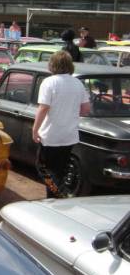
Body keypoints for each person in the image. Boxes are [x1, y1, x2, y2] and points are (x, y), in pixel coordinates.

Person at [32, 51, 90, 197]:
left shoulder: (49, 82)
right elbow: (85, 110)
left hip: (51, 135)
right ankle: (54, 197)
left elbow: (43, 108)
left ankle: (59, 194)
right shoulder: (78, 83)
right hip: (69, 135)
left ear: (52, 65)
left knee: (43, 168)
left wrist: (35, 129)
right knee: (58, 170)